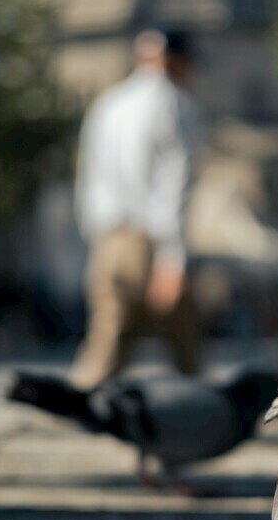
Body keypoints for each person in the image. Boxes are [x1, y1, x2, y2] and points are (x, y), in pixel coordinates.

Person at [70, 29, 201, 389]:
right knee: (182, 340)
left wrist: (96, 235)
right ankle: (211, 413)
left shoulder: (108, 103)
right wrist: (173, 258)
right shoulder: (175, 102)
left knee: (108, 332)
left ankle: (80, 400)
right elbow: (175, 184)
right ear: (177, 61)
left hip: (109, 236)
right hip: (149, 239)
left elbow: (88, 174)